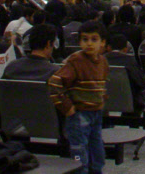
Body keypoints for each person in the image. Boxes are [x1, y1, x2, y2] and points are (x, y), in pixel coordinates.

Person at [49, 20, 109, 174]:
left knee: (97, 152)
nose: (89, 43)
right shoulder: (76, 61)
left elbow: (101, 84)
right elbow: (54, 83)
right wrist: (67, 108)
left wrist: (102, 99)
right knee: (79, 153)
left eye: (94, 39)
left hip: (96, 113)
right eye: (85, 39)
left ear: (102, 42)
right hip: (79, 115)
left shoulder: (103, 62)